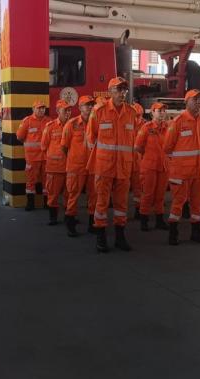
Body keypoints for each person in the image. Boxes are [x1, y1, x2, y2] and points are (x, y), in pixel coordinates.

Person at [86, 77, 138, 252]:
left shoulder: (131, 113)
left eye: (124, 90)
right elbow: (90, 138)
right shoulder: (99, 111)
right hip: (104, 167)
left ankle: (120, 238)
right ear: (110, 92)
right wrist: (100, 157)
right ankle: (100, 237)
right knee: (101, 203)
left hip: (123, 167)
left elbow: (134, 140)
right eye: (118, 90)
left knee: (122, 204)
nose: (122, 93)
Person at [163, 89, 200, 245]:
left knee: (197, 204)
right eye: (195, 99)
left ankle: (196, 232)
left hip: (199, 171)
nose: (198, 102)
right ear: (186, 101)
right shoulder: (178, 122)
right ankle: (173, 232)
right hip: (181, 173)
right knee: (178, 203)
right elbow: (167, 148)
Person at [61, 95, 96, 236]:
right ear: (80, 107)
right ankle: (70, 222)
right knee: (73, 196)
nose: (90, 107)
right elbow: (64, 146)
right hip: (76, 167)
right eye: (87, 105)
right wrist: (74, 158)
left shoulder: (97, 124)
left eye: (91, 105)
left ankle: (93, 224)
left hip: (93, 166)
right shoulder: (71, 124)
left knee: (94, 196)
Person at [135, 102, 170, 231]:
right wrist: (150, 157)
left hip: (163, 167)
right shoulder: (146, 128)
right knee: (148, 194)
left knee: (160, 194)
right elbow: (138, 147)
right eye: (159, 111)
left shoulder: (168, 128)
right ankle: (144, 219)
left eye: (163, 111)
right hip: (149, 167)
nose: (162, 113)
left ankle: (159, 220)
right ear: (152, 113)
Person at [41, 99, 71, 225]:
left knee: (69, 196)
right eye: (65, 110)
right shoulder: (50, 126)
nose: (68, 113)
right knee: (53, 195)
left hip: (71, 168)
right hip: (55, 168)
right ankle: (53, 218)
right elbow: (43, 146)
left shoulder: (74, 125)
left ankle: (68, 217)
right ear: (58, 111)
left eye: (69, 110)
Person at [16, 100, 49, 210]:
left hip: (46, 158)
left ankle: (47, 203)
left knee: (47, 181)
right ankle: (30, 204)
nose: (41, 110)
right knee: (31, 181)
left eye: (43, 108)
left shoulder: (49, 121)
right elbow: (19, 137)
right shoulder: (27, 121)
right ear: (33, 109)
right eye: (39, 108)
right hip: (32, 158)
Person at [130, 102, 146, 219]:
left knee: (138, 188)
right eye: (135, 116)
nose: (137, 118)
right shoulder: (125, 123)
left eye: (139, 116)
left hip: (138, 162)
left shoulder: (145, 126)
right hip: (125, 161)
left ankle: (137, 208)